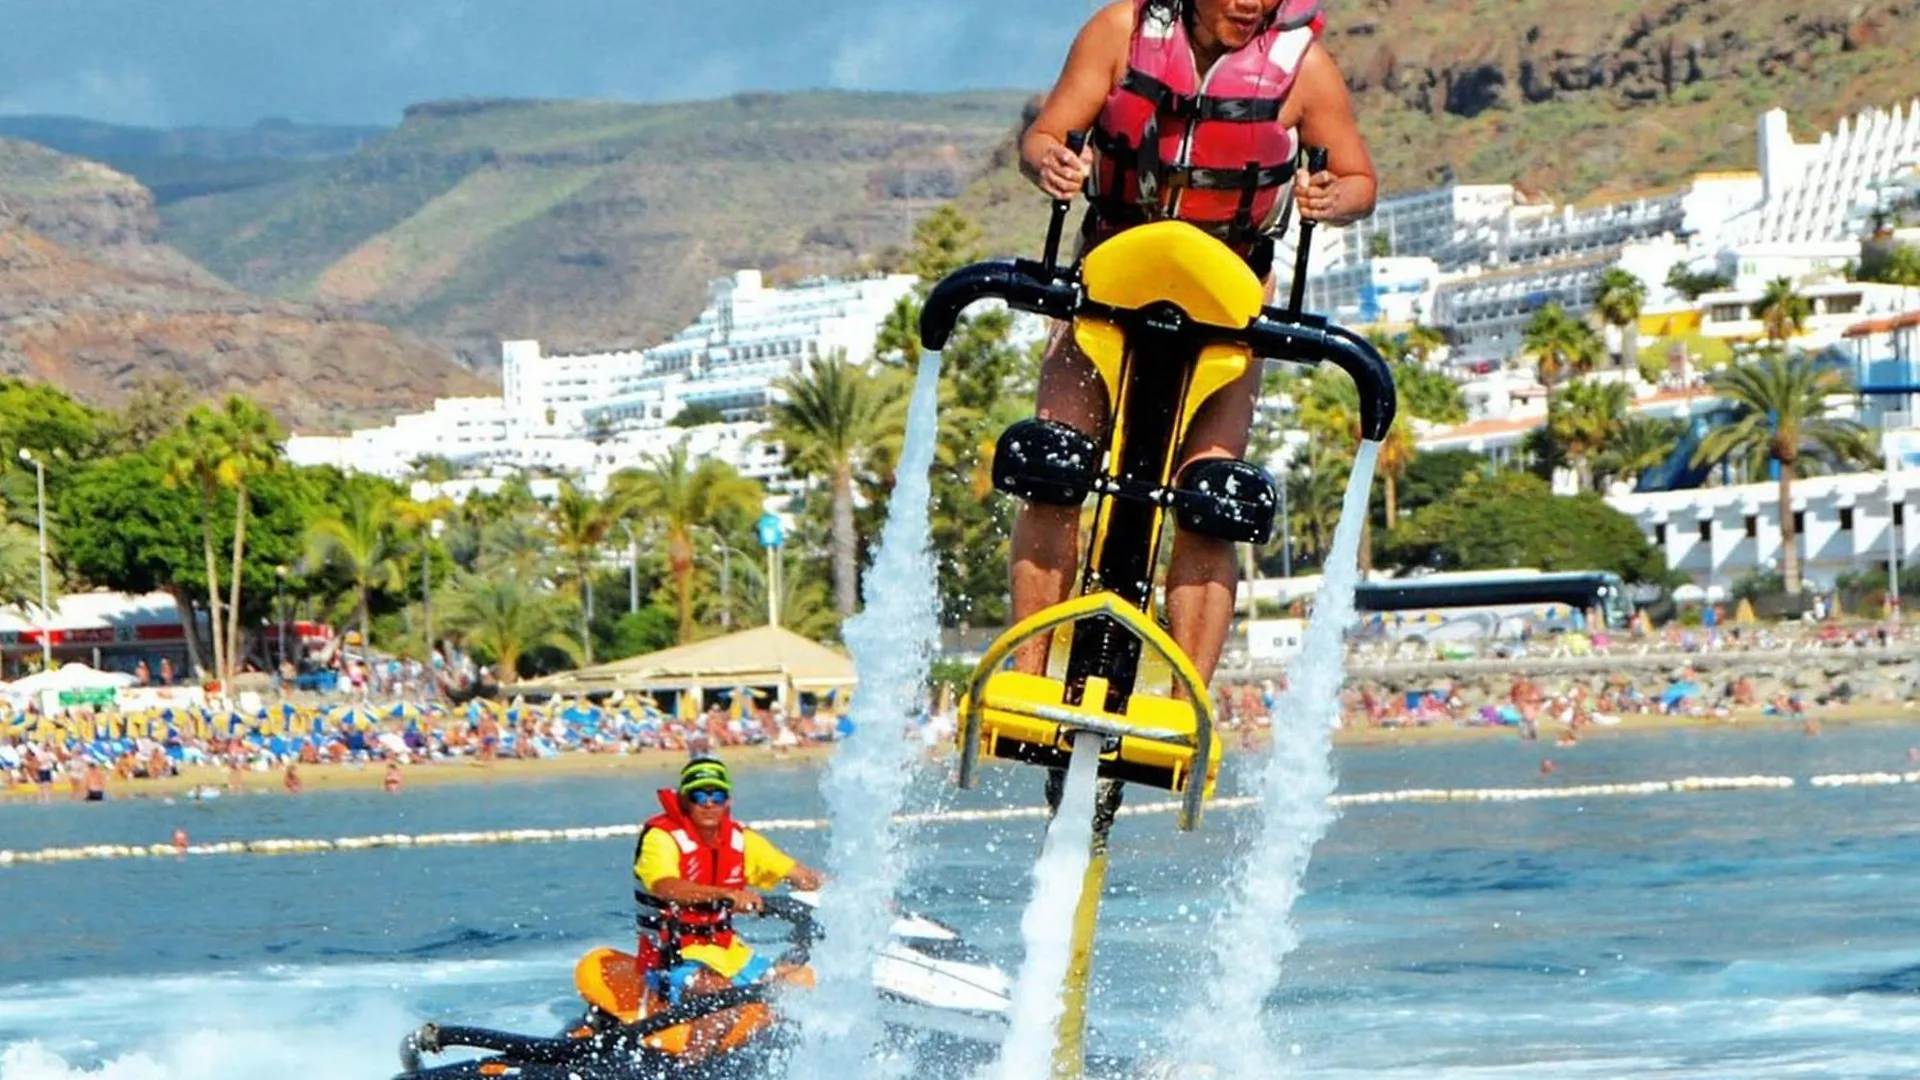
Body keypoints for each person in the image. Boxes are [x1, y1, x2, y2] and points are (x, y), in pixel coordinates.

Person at [1013, 0, 1377, 691]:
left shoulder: (1306, 69)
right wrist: (1050, 163)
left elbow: (1361, 181)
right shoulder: (1119, 32)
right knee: (1052, 466)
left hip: (1228, 304)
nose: (1251, 4)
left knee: (1212, 498)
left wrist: (1335, 196)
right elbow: (1043, 137)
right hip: (1110, 282)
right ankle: (1029, 675)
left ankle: (1187, 701)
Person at [632, 757, 823, 1055]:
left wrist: (855, 895)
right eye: (699, 796)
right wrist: (726, 895)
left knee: (802, 981)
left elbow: (804, 877)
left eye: (716, 795)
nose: (709, 804)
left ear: (727, 800)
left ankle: (772, 1055)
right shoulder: (661, 839)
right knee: (721, 999)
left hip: (729, 954)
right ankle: (690, 1069)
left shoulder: (741, 841)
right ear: (684, 800)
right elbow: (667, 887)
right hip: (672, 958)